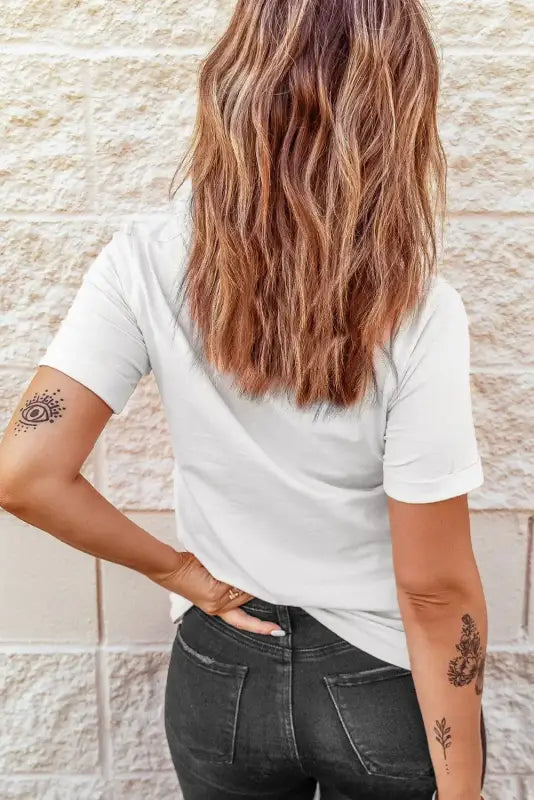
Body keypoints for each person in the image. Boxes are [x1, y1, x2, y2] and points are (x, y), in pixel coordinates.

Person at [0, 0, 488, 798]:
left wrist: (184, 575)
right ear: (397, 114)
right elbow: (434, 590)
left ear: (234, 85)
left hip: (220, 672)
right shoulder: (418, 308)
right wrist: (463, 791)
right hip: (378, 678)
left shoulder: (143, 261)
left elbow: (25, 472)